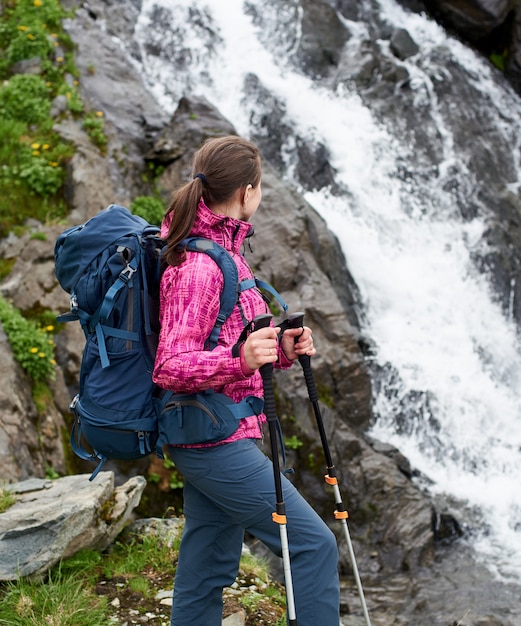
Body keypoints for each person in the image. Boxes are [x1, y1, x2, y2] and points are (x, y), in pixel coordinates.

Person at [152, 135, 340, 626]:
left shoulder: (227, 253)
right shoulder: (197, 266)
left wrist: (278, 348)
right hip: (211, 438)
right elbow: (171, 365)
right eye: (260, 189)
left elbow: (232, 342)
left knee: (206, 567)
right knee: (313, 545)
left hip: (219, 430)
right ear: (246, 192)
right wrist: (238, 360)